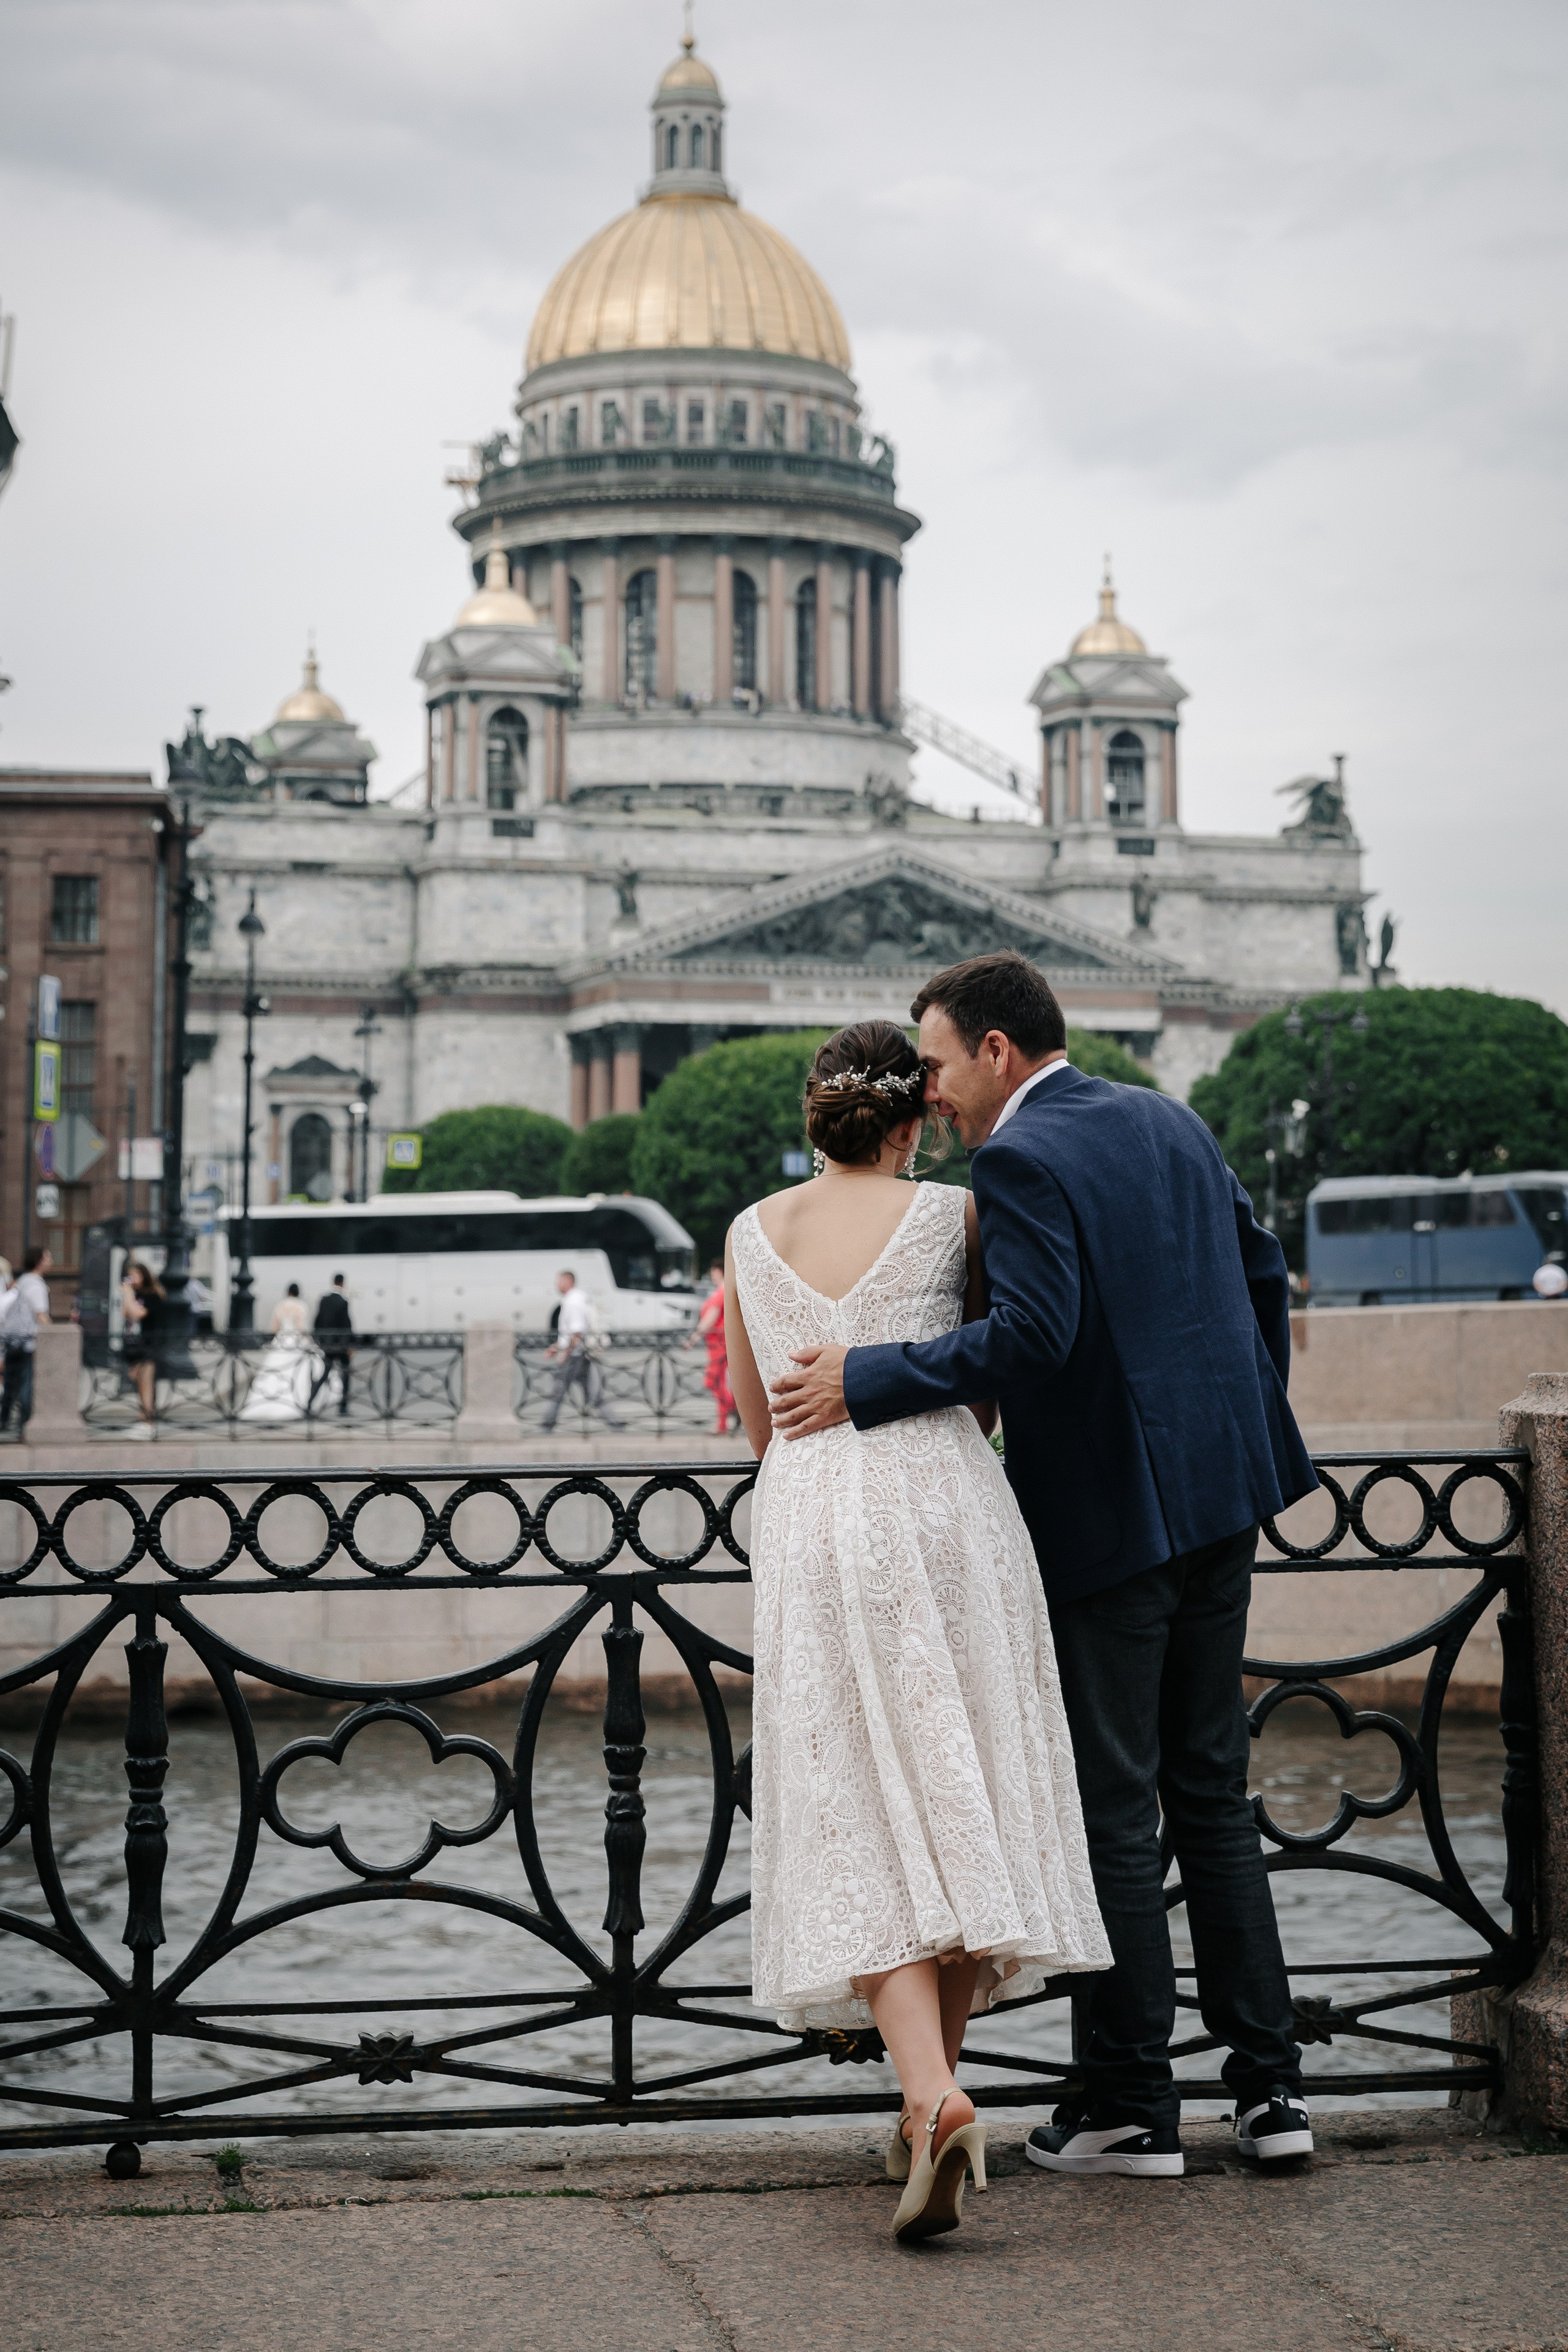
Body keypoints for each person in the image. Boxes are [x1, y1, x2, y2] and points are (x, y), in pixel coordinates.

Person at [771, 953, 1321, 2179]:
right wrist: (1234, 1430)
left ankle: (1130, 2105)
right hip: (1221, 1502)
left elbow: (1033, 1335)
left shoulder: (1017, 1158)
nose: (928, 1092)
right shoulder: (1167, 1118)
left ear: (995, 1050)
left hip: (1113, 1525)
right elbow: (1261, 1271)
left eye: (936, 1063)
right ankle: (1272, 2093)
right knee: (1212, 1795)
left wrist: (863, 1379)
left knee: (1115, 1810)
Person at [725, 1020, 1109, 2246]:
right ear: (908, 1123)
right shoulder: (956, 1215)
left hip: (810, 1513)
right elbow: (984, 1388)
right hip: (945, 1502)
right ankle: (930, 2095)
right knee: (952, 1783)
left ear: (815, 1117)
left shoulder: (749, 1230)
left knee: (855, 1803)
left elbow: (758, 1422)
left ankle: (928, 2102)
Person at [540, 1270, 624, 1434]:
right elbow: (570, 1333)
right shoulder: (577, 1299)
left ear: (568, 1282)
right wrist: (556, 1348)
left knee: (558, 1392)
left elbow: (577, 1332)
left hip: (574, 1356)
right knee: (593, 1393)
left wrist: (565, 1353)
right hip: (579, 1354)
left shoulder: (573, 1302)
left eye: (559, 1281)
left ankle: (546, 1427)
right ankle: (616, 1425)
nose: (556, 1285)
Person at [0, 1246, 53, 1440]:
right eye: (48, 1257)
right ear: (40, 1261)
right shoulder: (36, 1284)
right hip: (28, 1343)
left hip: (13, 1340)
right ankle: (25, 1427)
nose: (51, 1261)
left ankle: (4, 1421)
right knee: (27, 1386)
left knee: (10, 1385)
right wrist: (55, 1335)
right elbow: (41, 1316)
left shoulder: (21, 1281)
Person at [685, 1259, 736, 1435]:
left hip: (719, 1345)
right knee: (718, 1382)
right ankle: (727, 1419)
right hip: (718, 1344)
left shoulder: (721, 1293)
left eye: (713, 1272)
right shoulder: (723, 1292)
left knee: (713, 1381)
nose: (712, 1276)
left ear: (720, 1272)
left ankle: (735, 1410)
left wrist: (693, 1338)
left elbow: (710, 1319)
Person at [119, 1260, 164, 1436]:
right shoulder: (135, 1294)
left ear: (144, 1276)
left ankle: (149, 1422)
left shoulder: (153, 1295)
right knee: (136, 1378)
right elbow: (125, 1313)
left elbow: (138, 1314)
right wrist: (128, 1295)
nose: (132, 1279)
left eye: (135, 1275)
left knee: (146, 1381)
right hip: (135, 1344)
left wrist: (128, 1294)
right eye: (130, 1276)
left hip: (149, 1345)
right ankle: (145, 1417)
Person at [309, 1273, 355, 1417]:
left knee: (324, 1374)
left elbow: (317, 1321)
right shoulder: (343, 1302)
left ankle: (310, 1402)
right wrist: (350, 1345)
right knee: (346, 1373)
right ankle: (343, 1407)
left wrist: (319, 1341)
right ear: (342, 1283)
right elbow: (346, 1325)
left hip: (327, 1344)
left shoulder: (324, 1300)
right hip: (341, 1345)